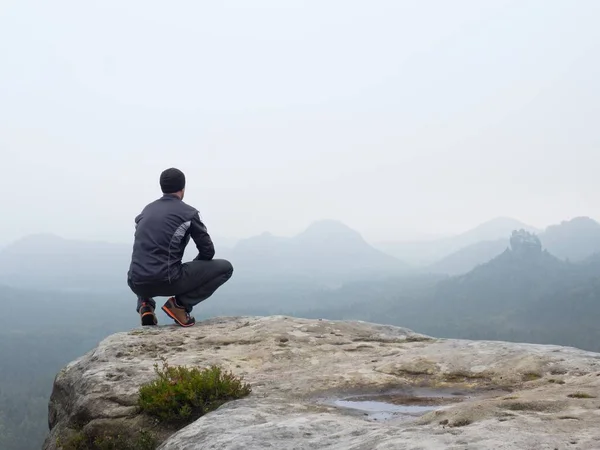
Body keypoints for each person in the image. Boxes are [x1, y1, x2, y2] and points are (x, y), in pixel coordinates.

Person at [127, 168, 233, 327]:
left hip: (135, 282)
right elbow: (208, 251)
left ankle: (145, 305)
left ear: (162, 187)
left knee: (147, 260)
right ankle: (180, 305)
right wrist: (196, 269)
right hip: (167, 280)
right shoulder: (188, 213)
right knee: (226, 268)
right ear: (183, 188)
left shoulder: (146, 211)